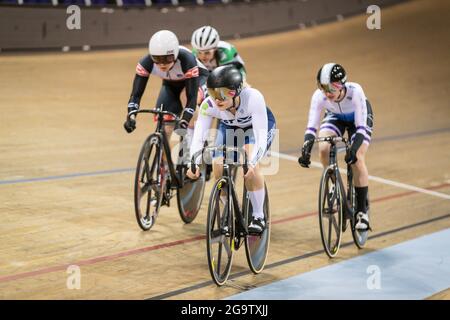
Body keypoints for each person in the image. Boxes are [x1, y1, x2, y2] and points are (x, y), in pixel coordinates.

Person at [186, 65, 276, 234]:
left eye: (222, 93)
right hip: (229, 127)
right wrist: (194, 163)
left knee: (250, 163)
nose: (217, 99)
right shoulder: (208, 105)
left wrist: (252, 161)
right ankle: (229, 208)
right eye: (213, 93)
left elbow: (260, 138)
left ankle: (258, 216)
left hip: (254, 129)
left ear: (236, 91)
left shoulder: (254, 98)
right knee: (217, 163)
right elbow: (199, 138)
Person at [298, 63, 374, 231]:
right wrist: (306, 149)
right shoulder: (319, 97)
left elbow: (361, 128)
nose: (327, 93)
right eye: (323, 88)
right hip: (335, 116)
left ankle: (362, 212)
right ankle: (333, 184)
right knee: (324, 147)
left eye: (332, 88)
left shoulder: (355, 92)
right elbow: (312, 127)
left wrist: (353, 149)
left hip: (358, 119)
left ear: (342, 85)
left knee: (357, 159)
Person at [123, 30, 208, 149]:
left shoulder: (186, 59)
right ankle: (163, 165)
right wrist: (131, 117)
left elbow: (191, 98)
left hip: (198, 80)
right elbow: (135, 96)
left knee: (185, 99)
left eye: (167, 58)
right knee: (165, 127)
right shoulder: (145, 62)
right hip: (170, 85)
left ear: (175, 54)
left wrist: (184, 120)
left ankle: (197, 147)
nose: (162, 64)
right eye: (157, 59)